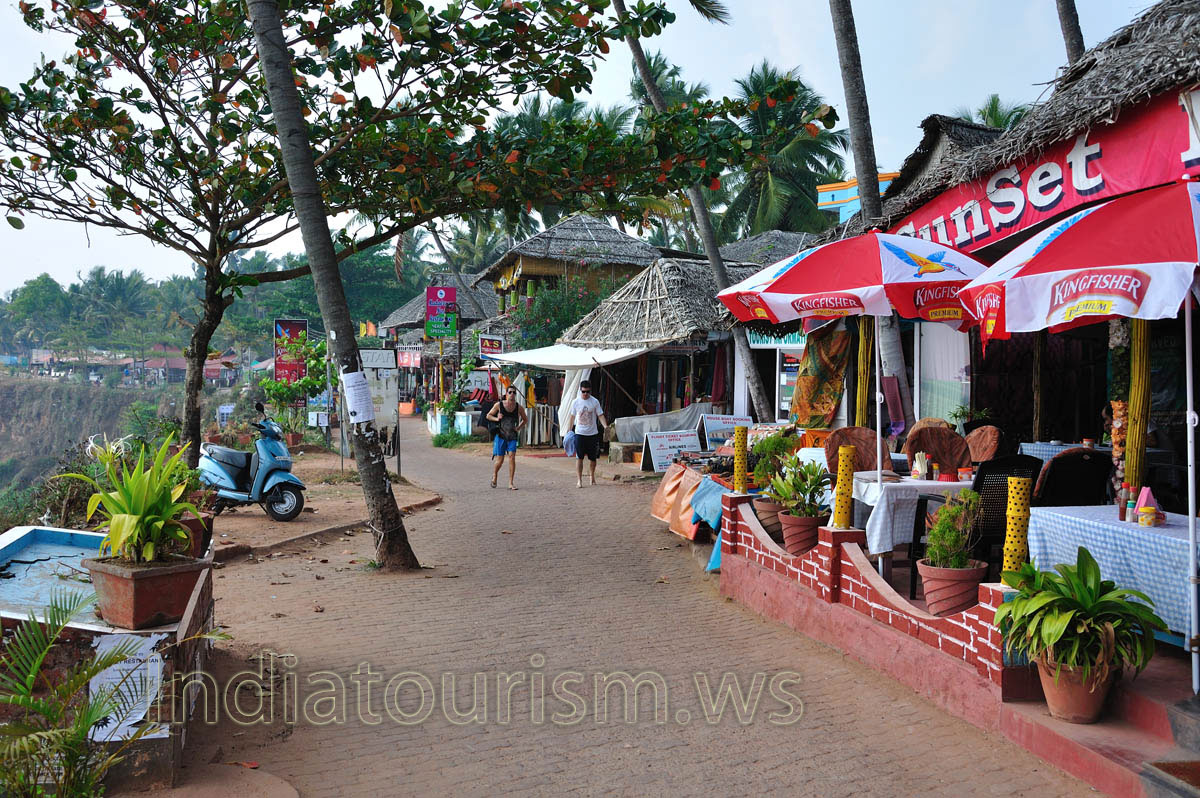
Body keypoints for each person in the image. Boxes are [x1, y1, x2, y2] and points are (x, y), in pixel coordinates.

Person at [565, 379, 608, 488]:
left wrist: (605, 426)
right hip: (579, 433)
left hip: (592, 434)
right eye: (583, 391)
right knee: (579, 457)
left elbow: (600, 415)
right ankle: (579, 480)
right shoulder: (575, 402)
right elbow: (572, 417)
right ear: (580, 390)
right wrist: (569, 430)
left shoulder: (595, 402)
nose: (585, 394)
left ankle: (592, 476)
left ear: (590, 391)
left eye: (587, 392)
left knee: (593, 458)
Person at [487, 387, 527, 489]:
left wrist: (518, 428)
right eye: (510, 392)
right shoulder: (499, 405)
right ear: (506, 394)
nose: (512, 394)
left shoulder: (518, 407)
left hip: (512, 436)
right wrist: (497, 418)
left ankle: (511, 482)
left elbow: (525, 419)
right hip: (501, 435)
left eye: (514, 392)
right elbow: (488, 416)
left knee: (512, 457)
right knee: (500, 460)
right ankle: (495, 475)